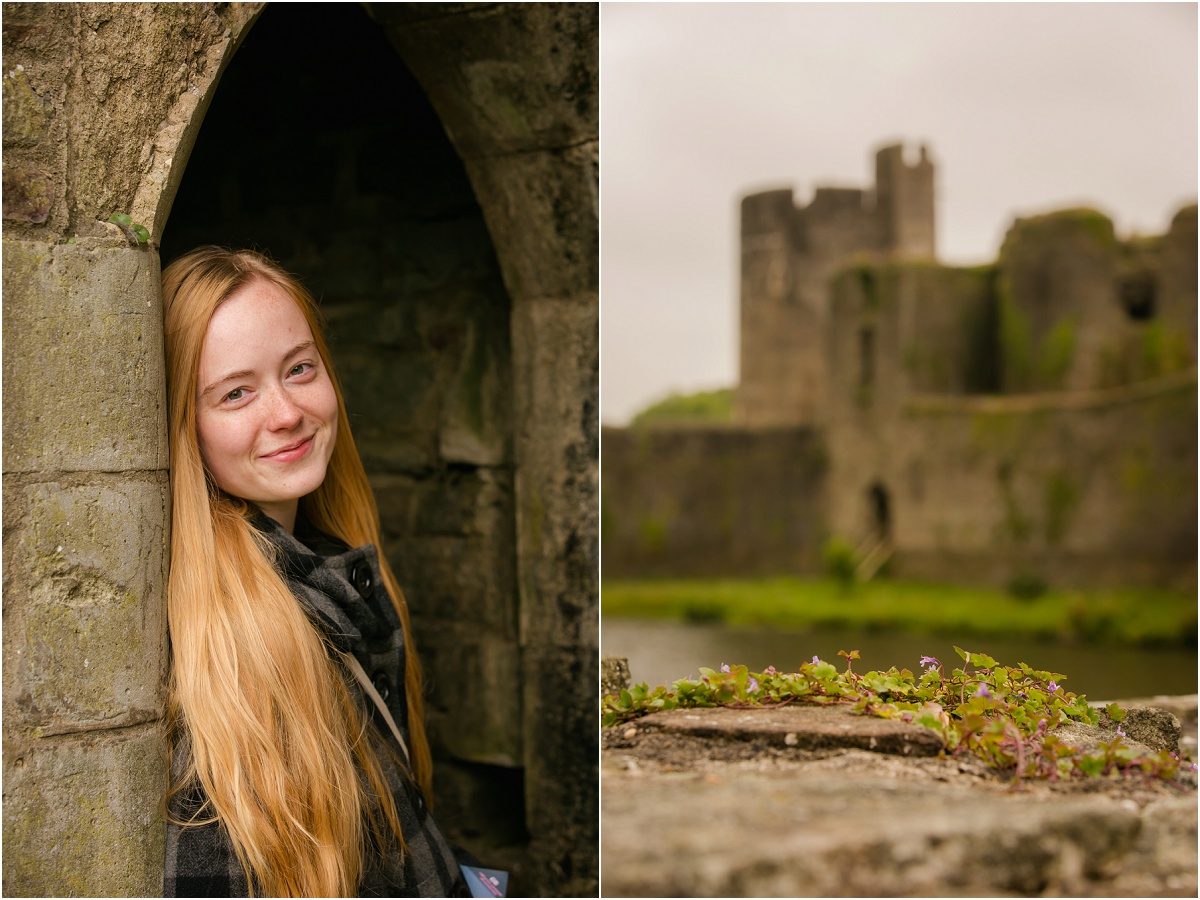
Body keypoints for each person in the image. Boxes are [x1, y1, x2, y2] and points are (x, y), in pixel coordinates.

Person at [160, 246, 471, 897]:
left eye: (299, 369)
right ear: (183, 426)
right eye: (236, 393)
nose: (287, 413)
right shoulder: (235, 642)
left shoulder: (335, 566)